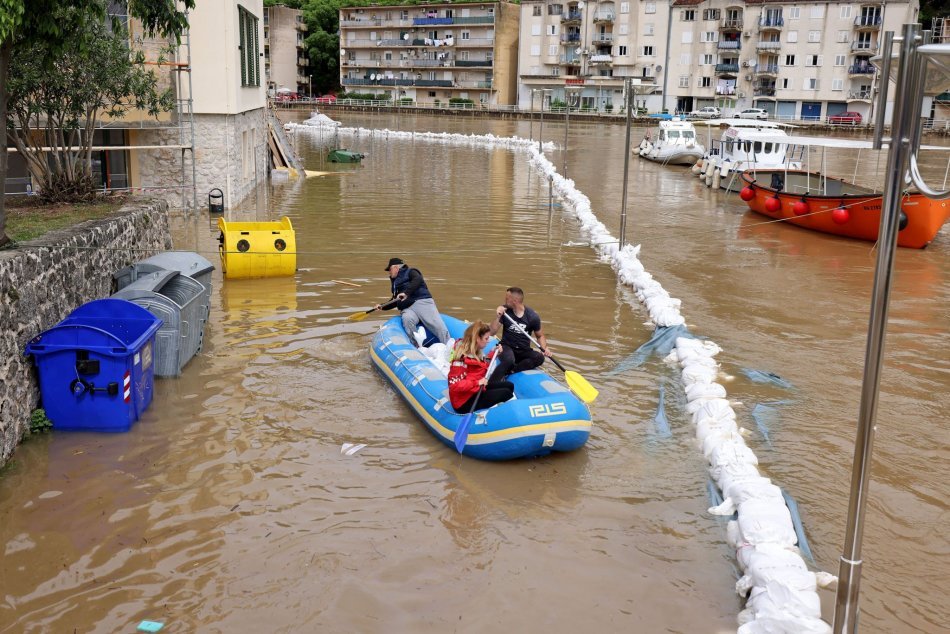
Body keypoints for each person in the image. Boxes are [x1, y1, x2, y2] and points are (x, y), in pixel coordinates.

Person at [377, 257, 450, 346]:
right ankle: (416, 346)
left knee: (437, 325)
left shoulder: (411, 272)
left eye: (389, 269)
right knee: (407, 319)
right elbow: (395, 300)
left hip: (421, 302)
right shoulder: (395, 283)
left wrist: (406, 293)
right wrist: (382, 306)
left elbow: (418, 280)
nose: (389, 272)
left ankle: (449, 345)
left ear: (396, 267)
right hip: (407, 308)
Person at [448, 320, 514, 412]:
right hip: (464, 401)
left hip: (475, 390)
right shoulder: (460, 361)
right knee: (505, 393)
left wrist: (494, 352)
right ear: (478, 339)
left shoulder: (475, 351)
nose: (488, 341)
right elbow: (455, 386)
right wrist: (477, 383)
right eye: (486, 339)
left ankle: (497, 410)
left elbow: (481, 365)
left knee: (509, 386)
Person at [489, 286, 551, 377]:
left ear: (515, 301)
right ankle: (506, 370)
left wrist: (544, 348)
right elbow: (492, 332)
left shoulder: (532, 316)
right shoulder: (505, 311)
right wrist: (498, 316)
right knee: (509, 360)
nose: (505, 300)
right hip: (507, 347)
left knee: (539, 358)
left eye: (507, 298)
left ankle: (513, 371)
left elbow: (540, 336)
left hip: (523, 350)